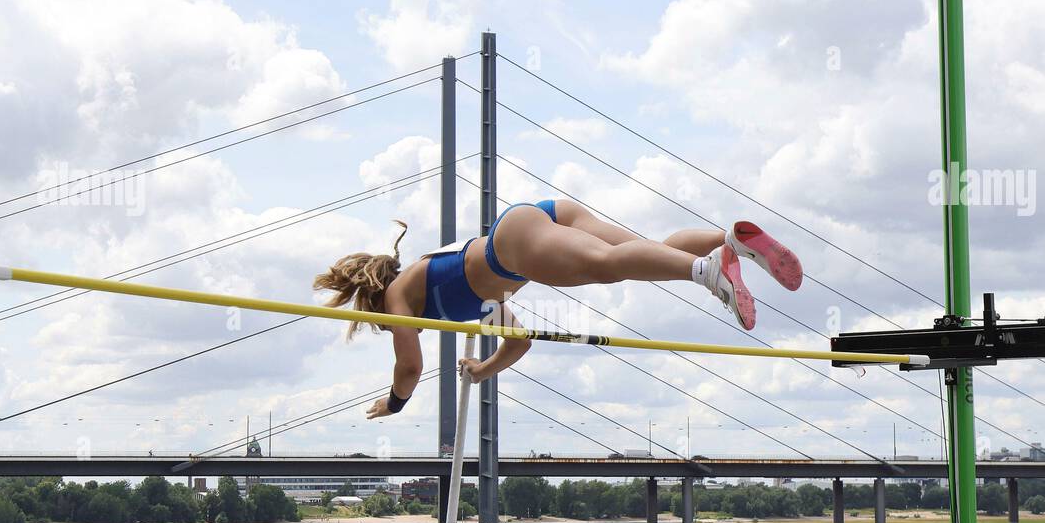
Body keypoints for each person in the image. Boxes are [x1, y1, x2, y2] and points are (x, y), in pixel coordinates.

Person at [312, 199, 802, 419]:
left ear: (372, 297)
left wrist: (393, 404)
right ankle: (729, 242)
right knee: (645, 249)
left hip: (514, 244)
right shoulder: (458, 297)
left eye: (370, 318)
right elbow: (518, 341)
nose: (384, 324)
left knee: (610, 266)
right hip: (542, 217)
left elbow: (410, 367)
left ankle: (709, 273)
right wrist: (482, 371)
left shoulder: (402, 295)